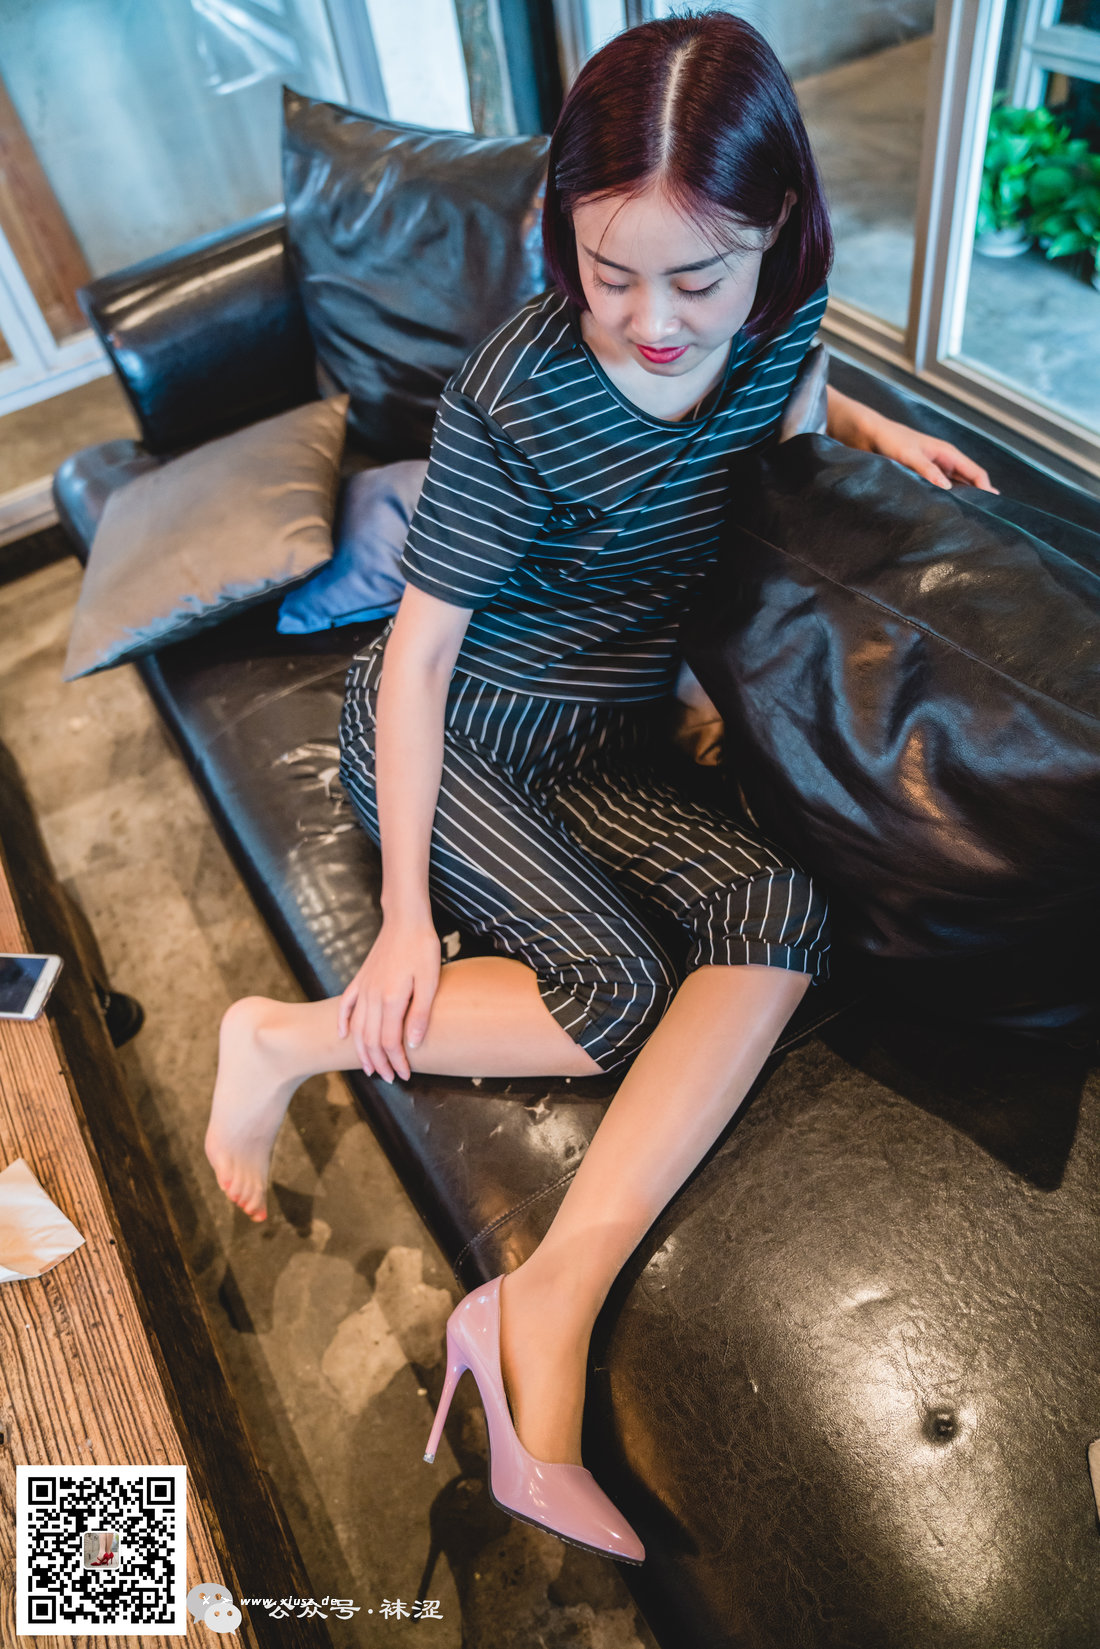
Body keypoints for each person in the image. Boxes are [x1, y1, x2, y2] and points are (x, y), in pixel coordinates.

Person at [204, 10, 996, 1561]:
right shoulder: (516, 395)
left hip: (610, 730)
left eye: (698, 278)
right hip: (461, 722)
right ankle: (280, 1038)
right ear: (564, 229)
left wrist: (869, 423)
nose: (650, 320)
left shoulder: (781, 317)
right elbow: (418, 660)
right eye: (607, 269)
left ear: (775, 231)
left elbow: (769, 430)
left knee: (781, 912)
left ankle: (543, 1298)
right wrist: (406, 915)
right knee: (618, 984)